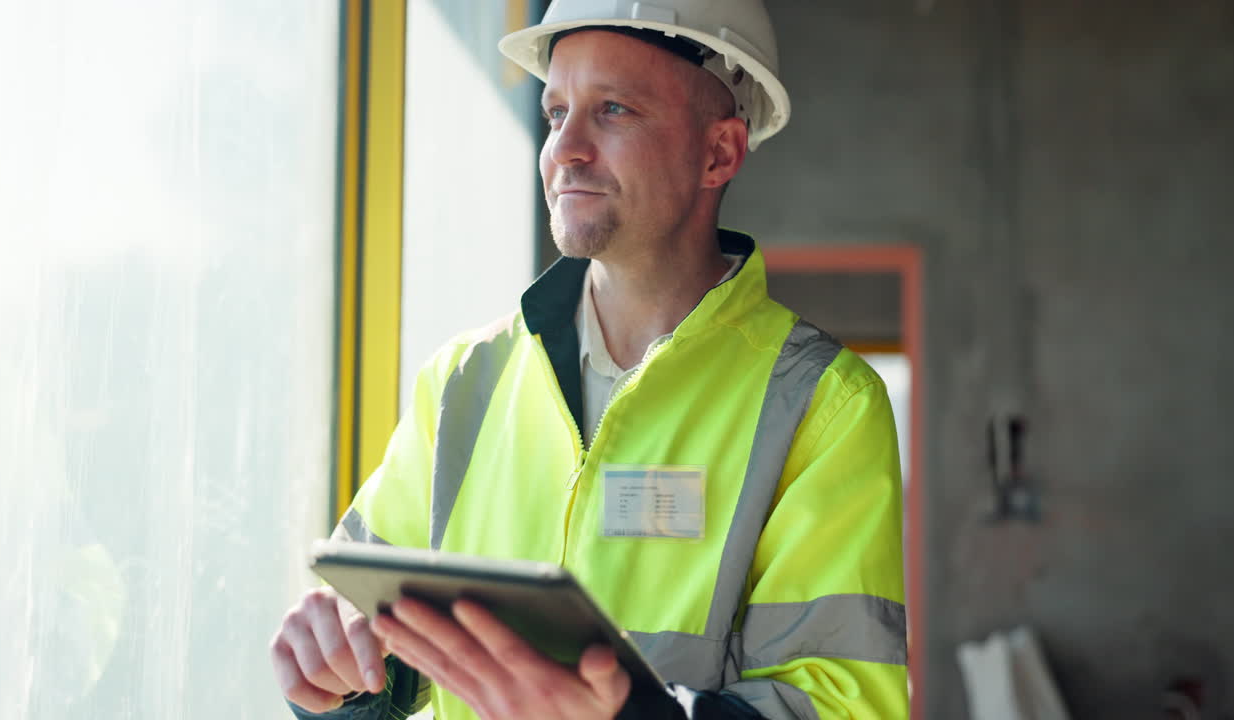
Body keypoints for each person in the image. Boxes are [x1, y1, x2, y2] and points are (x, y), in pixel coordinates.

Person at [269, 1, 908, 718]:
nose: (564, 148)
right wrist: (335, 676)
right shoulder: (463, 382)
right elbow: (373, 650)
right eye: (554, 114)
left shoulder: (822, 407)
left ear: (718, 153)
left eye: (612, 110)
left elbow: (840, 707)